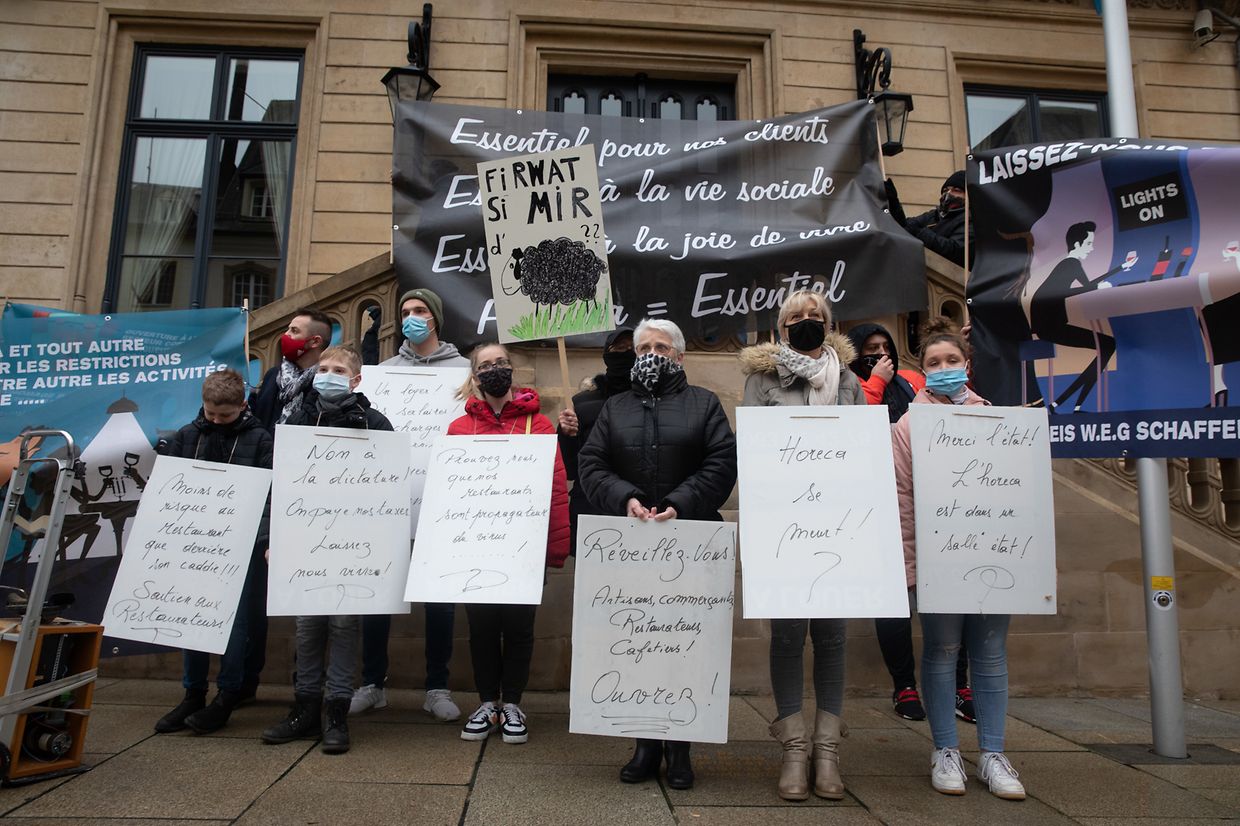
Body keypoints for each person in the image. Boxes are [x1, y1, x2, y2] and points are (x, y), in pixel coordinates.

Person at [577, 318, 737, 791]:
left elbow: (721, 463)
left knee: (684, 647)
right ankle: (644, 743)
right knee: (635, 646)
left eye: (660, 347)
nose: (650, 354)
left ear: (680, 356)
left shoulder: (704, 404)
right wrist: (623, 496)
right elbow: (592, 463)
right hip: (630, 547)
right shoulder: (615, 407)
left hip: (689, 542)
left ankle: (681, 746)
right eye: (644, 346)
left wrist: (680, 502)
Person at [891, 319, 1025, 800]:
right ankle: (945, 749)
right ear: (922, 373)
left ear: (967, 365)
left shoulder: (996, 419)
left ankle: (992, 753)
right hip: (938, 563)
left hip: (993, 555)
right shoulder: (908, 426)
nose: (944, 368)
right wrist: (910, 571)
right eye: (934, 363)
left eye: (952, 361)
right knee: (943, 652)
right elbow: (902, 500)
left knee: (990, 655)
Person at [739, 290, 864, 801]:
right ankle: (793, 747)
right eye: (797, 317)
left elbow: (862, 453)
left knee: (832, 638)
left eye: (816, 316)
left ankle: (827, 749)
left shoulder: (850, 381)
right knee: (788, 637)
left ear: (829, 324)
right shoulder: (762, 380)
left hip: (838, 523)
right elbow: (753, 454)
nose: (807, 322)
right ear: (781, 326)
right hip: (784, 526)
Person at [261, 345, 394, 755]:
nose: (328, 374)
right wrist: (271, 539)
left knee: (342, 625)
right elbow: (278, 483)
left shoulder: (375, 423)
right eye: (323, 369)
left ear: (355, 380)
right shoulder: (297, 418)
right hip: (305, 544)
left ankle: (336, 711)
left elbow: (388, 485)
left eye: (338, 370)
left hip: (351, 547)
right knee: (307, 627)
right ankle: (304, 709)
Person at [845, 324, 976, 724]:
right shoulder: (852, 384)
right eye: (871, 348)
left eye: (887, 347)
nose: (881, 354)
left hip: (947, 513)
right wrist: (874, 385)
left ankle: (960, 685)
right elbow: (853, 433)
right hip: (883, 508)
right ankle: (904, 685)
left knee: (959, 606)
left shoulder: (913, 383)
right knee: (895, 607)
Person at [350, 288, 470, 723]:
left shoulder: (462, 372)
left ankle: (437, 687)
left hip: (441, 503)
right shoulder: (384, 373)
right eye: (406, 312)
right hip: (391, 503)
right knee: (379, 598)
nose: (412, 318)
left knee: (439, 602)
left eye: (420, 311)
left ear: (436, 318)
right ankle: (372, 683)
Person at [450, 343, 569, 745]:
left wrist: (555, 549)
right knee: (481, 628)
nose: (495, 369)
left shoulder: (540, 425)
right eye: (486, 365)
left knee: (519, 628)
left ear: (512, 370)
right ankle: (487, 702)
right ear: (475, 375)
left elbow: (555, 490)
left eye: (501, 362)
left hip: (525, 548)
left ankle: (513, 702)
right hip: (476, 547)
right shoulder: (460, 429)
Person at [153, 369, 273, 735]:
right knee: (192, 618)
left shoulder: (260, 439)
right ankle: (193, 693)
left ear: (242, 405)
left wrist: (266, 541)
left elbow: (271, 494)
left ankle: (228, 693)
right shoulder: (187, 436)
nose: (218, 421)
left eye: (226, 415)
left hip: (242, 545)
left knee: (234, 623)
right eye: (211, 414)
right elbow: (167, 489)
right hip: (193, 543)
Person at [244, 306, 333, 703]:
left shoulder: (328, 384)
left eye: (294, 330)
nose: (286, 335)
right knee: (252, 592)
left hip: (306, 498)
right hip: (262, 492)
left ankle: (307, 685)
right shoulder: (270, 380)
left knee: (308, 597)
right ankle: (243, 681)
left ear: (314, 341)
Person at [1030, 221, 1130, 413]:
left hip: (1051, 324)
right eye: (1089, 244)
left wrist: (1121, 267)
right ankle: (1069, 403)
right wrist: (1099, 286)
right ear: (1077, 245)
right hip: (1049, 325)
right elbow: (1062, 291)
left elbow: (1088, 284)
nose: (1091, 248)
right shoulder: (1069, 264)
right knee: (1108, 345)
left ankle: (1066, 403)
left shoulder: (1072, 263)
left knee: (1107, 346)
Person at [556, 327, 635, 552]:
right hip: (592, 510)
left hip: (638, 511)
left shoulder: (653, 401)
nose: (626, 353)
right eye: (619, 348)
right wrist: (567, 435)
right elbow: (570, 469)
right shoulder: (580, 404)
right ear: (607, 355)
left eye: (632, 349)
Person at [885, 171, 972, 268]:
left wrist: (920, 232)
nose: (948, 194)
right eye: (945, 190)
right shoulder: (934, 214)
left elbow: (955, 249)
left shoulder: (971, 219)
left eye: (956, 190)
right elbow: (905, 226)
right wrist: (893, 203)